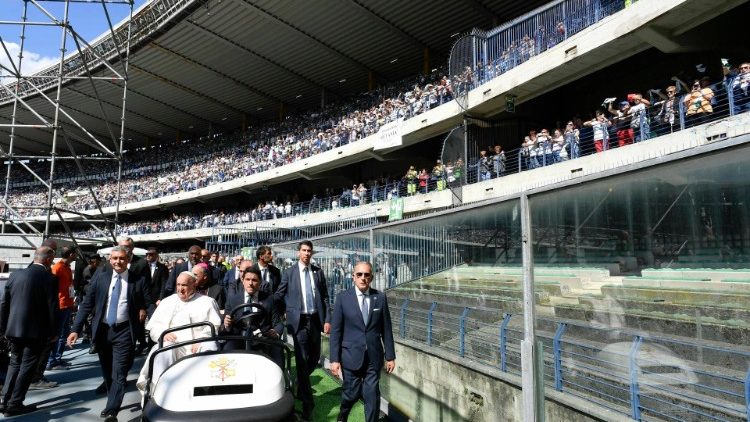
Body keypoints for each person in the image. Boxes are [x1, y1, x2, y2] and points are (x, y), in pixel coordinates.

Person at [67, 246, 150, 422]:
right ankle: (112, 396)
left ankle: (112, 409)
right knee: (107, 371)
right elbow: (87, 305)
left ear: (128, 260)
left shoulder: (139, 280)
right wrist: (75, 330)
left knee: (119, 373)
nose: (118, 262)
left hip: (125, 331)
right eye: (114, 259)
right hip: (103, 330)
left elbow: (148, 303)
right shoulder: (101, 278)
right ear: (110, 260)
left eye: (121, 258)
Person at [329, 262, 396, 422]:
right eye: (359, 274)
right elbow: (336, 331)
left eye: (366, 275)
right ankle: (343, 414)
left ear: (371, 277)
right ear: (353, 277)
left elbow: (386, 328)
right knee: (350, 394)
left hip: (374, 357)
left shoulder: (379, 298)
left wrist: (390, 356)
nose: (363, 278)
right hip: (350, 356)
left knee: (372, 396)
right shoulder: (343, 298)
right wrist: (334, 359)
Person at [136, 271, 221, 394]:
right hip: (174, 345)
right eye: (178, 285)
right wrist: (163, 334)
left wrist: (202, 340)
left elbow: (214, 326)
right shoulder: (167, 302)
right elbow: (154, 327)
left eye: (184, 285)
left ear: (194, 285)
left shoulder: (207, 302)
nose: (180, 289)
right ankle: (160, 392)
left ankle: (204, 392)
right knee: (163, 350)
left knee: (209, 347)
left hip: (197, 345)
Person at [274, 240, 331, 422]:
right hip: (298, 323)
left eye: (309, 251)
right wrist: (282, 311)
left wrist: (327, 319)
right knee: (301, 360)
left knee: (314, 358)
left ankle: (299, 381)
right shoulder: (289, 273)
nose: (307, 253)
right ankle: (308, 405)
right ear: (298, 252)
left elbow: (325, 297)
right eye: (304, 250)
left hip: (315, 321)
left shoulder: (318, 272)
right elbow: (278, 295)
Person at [0, 246, 57, 416]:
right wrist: (53, 332)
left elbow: (4, 303)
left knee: (14, 363)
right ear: (47, 259)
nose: (52, 262)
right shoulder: (49, 278)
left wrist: (3, 327)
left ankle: (4, 400)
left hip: (13, 328)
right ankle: (15, 403)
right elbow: (52, 308)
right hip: (36, 332)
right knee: (27, 366)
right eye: (52, 259)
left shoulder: (15, 274)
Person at [223, 268, 283, 367]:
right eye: (247, 279)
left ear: (260, 282)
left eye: (254, 280)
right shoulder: (233, 299)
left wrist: (276, 332)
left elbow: (278, 323)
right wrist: (227, 324)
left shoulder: (269, 299)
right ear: (242, 280)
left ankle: (278, 377)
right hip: (239, 338)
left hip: (263, 338)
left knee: (277, 348)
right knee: (227, 348)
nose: (250, 283)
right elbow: (225, 325)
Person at [47, 246, 77, 370]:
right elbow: (52, 287)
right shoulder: (57, 268)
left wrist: (72, 302)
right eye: (75, 253)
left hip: (67, 304)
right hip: (60, 305)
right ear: (70, 254)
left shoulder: (67, 267)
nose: (76, 256)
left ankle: (57, 359)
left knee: (63, 334)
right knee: (57, 334)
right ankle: (52, 361)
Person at [145, 248, 168, 315]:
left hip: (155, 300)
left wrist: (161, 298)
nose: (148, 256)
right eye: (147, 254)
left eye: (151, 254)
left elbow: (164, 284)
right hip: (144, 299)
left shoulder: (162, 268)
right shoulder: (143, 266)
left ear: (156, 255)